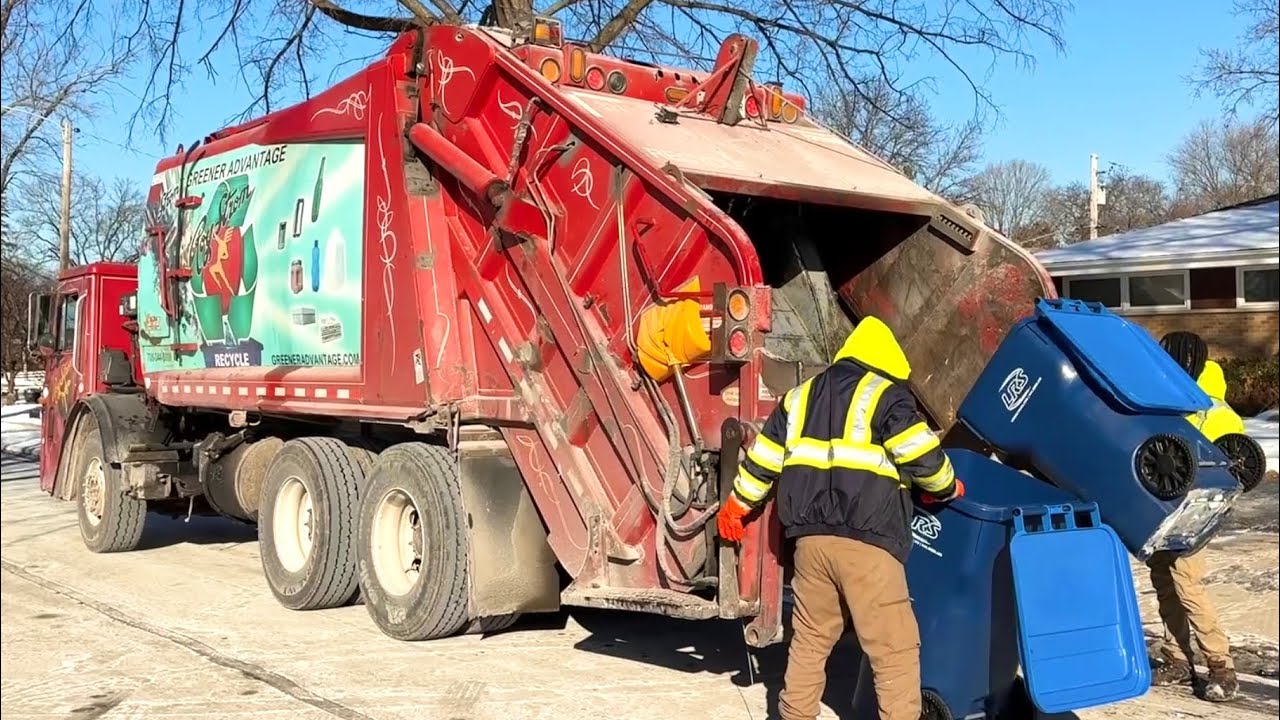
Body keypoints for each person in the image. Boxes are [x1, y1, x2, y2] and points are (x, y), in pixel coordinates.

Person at [717, 316, 961, 720]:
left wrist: (738, 507)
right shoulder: (887, 396)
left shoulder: (799, 397)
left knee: (811, 641)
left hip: (810, 543)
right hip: (869, 542)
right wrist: (948, 487)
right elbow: (924, 459)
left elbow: (762, 461)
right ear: (888, 362)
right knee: (893, 648)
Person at [1151, 331, 1241, 701]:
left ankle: (1222, 666)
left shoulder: (1217, 414)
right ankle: (1178, 657)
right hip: (1159, 508)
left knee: (1187, 583)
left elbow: (1236, 468)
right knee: (1163, 580)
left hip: (1198, 510)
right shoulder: (1160, 402)